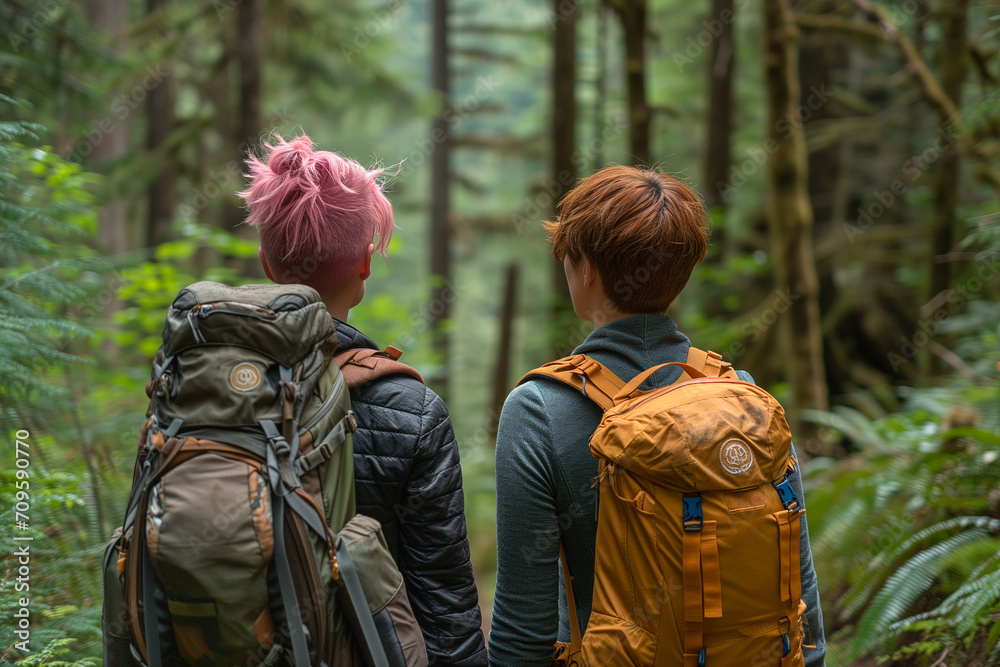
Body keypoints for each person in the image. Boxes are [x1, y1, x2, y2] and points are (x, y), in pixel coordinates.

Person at [487, 165, 826, 666]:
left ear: (588, 272)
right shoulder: (744, 397)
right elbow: (801, 593)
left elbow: (522, 630)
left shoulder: (539, 409)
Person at [239, 133, 487, 666]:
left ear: (265, 263)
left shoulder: (196, 387)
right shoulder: (412, 411)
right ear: (365, 266)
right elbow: (443, 603)